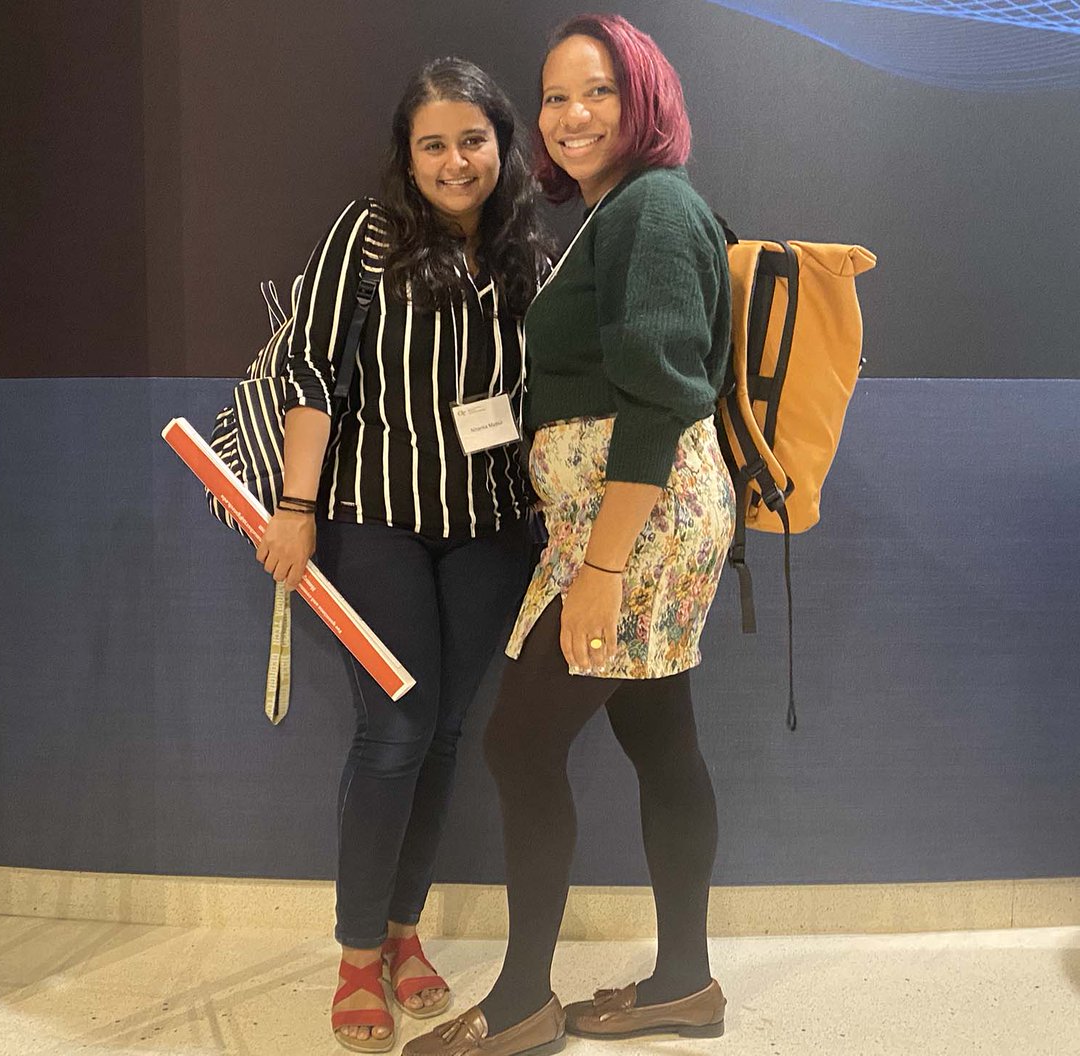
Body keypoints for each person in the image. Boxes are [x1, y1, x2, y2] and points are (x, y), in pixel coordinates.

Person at [404, 15, 734, 1056]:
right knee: (655, 732)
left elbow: (663, 394)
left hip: (635, 520)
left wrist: (597, 571)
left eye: (596, 91)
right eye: (553, 96)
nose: (572, 114)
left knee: (518, 741)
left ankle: (521, 1005)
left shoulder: (656, 206)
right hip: (614, 518)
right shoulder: (608, 217)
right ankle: (686, 983)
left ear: (643, 100)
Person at [253, 58, 552, 1054]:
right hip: (373, 517)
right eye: (434, 143)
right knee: (396, 727)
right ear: (407, 153)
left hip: (493, 525)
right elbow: (308, 366)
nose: (456, 160)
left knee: (448, 733)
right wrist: (296, 506)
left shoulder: (524, 245)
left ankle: (404, 935)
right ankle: (352, 955)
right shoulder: (367, 233)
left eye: (473, 138)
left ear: (501, 142)